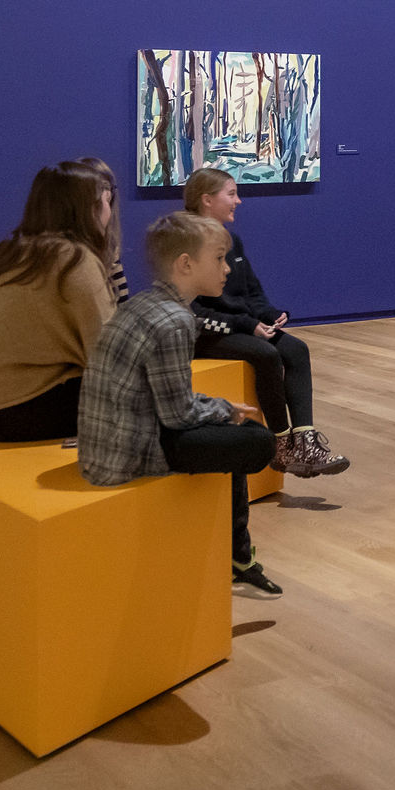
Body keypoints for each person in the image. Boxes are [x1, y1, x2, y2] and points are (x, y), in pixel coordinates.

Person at [79, 212, 283, 598]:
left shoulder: (145, 304)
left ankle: (237, 556)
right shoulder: (175, 320)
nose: (226, 269)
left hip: (107, 444)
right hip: (130, 454)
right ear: (186, 264)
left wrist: (220, 409)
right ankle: (237, 559)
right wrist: (223, 409)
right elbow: (178, 414)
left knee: (234, 432)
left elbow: (168, 397)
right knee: (257, 441)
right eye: (219, 259)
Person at [184, 167, 349, 477]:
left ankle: (307, 443)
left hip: (243, 325)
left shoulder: (232, 241)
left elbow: (251, 292)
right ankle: (282, 444)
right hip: (204, 334)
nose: (239, 201)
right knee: (267, 353)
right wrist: (248, 326)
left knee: (296, 350)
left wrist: (270, 314)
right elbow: (194, 312)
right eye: (231, 194)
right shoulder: (185, 242)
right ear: (207, 200)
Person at [0, 162, 118, 441]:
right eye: (106, 202)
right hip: (12, 411)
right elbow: (108, 355)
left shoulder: (11, 252)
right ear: (89, 209)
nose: (110, 212)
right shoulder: (74, 259)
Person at [74, 156, 130, 301]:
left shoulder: (109, 246)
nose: (107, 194)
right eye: (100, 189)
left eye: (107, 188)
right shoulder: (70, 252)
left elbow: (121, 301)